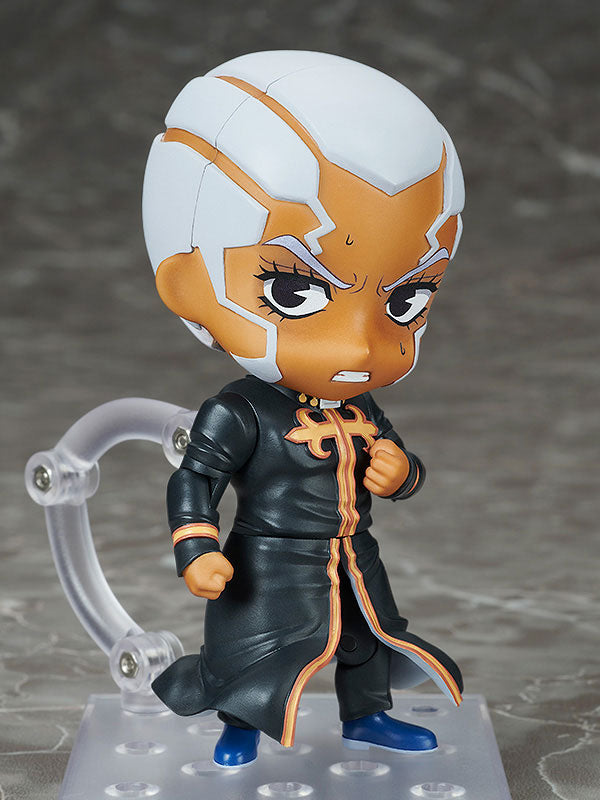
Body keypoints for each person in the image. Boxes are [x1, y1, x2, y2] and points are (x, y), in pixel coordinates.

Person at [142, 50, 465, 767]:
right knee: (252, 650)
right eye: (295, 292)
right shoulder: (240, 409)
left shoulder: (361, 401)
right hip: (270, 557)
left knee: (369, 636)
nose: (359, 344)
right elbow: (195, 478)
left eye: (406, 298)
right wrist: (196, 547)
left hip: (353, 551)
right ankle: (237, 722)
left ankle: (367, 714)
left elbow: (397, 461)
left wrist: (400, 472)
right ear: (188, 282)